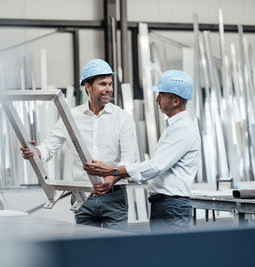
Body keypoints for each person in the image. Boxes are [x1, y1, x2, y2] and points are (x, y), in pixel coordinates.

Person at [20, 59, 137, 231]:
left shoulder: (123, 118)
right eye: (103, 84)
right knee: (86, 251)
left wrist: (111, 179)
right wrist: (35, 152)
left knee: (117, 251)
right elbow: (48, 148)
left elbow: (129, 160)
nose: (108, 89)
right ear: (88, 87)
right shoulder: (71, 117)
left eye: (110, 84)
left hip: (114, 195)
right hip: (82, 196)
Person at [84, 70, 200, 232]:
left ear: (175, 101)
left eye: (161, 95)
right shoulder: (174, 127)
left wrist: (114, 170)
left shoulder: (183, 129)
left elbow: (156, 166)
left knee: (171, 255)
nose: (157, 99)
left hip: (172, 206)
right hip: (165, 205)